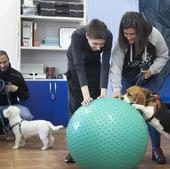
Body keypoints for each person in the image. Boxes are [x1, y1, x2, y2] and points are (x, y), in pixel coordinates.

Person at [110, 11, 169, 164]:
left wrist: (152, 70)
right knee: (126, 112)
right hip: (128, 77)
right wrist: (116, 88)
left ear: (141, 31)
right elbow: (116, 65)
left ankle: (156, 148)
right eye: (125, 34)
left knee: (152, 113)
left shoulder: (154, 35)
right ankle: (124, 149)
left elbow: (163, 55)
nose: (128, 37)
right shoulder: (121, 42)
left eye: (132, 34)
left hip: (149, 77)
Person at [65, 18, 113, 163]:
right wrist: (85, 96)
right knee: (76, 107)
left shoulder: (108, 36)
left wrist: (103, 92)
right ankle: (74, 150)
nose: (99, 48)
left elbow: (105, 65)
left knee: (95, 107)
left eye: (101, 44)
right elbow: (79, 66)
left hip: (94, 65)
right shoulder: (77, 35)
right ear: (87, 36)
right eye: (95, 44)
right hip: (76, 64)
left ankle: (95, 147)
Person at [0, 50, 33, 139]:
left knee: (27, 116)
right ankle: (5, 130)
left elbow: (26, 96)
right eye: (0, 63)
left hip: (13, 105)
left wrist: (16, 89)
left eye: (4, 62)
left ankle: (15, 132)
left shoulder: (17, 75)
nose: (2, 65)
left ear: (8, 60)